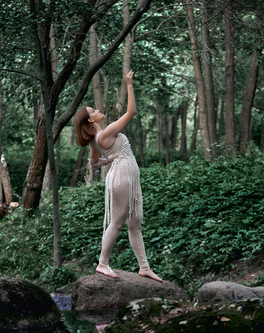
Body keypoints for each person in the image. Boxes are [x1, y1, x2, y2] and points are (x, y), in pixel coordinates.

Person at [74, 69, 162, 282]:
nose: (97, 109)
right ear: (89, 121)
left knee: (135, 222)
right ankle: (102, 263)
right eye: (92, 110)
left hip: (123, 176)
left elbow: (94, 163)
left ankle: (144, 267)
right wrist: (129, 84)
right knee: (118, 222)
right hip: (122, 177)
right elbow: (131, 112)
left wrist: (111, 159)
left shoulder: (97, 139)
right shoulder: (105, 134)